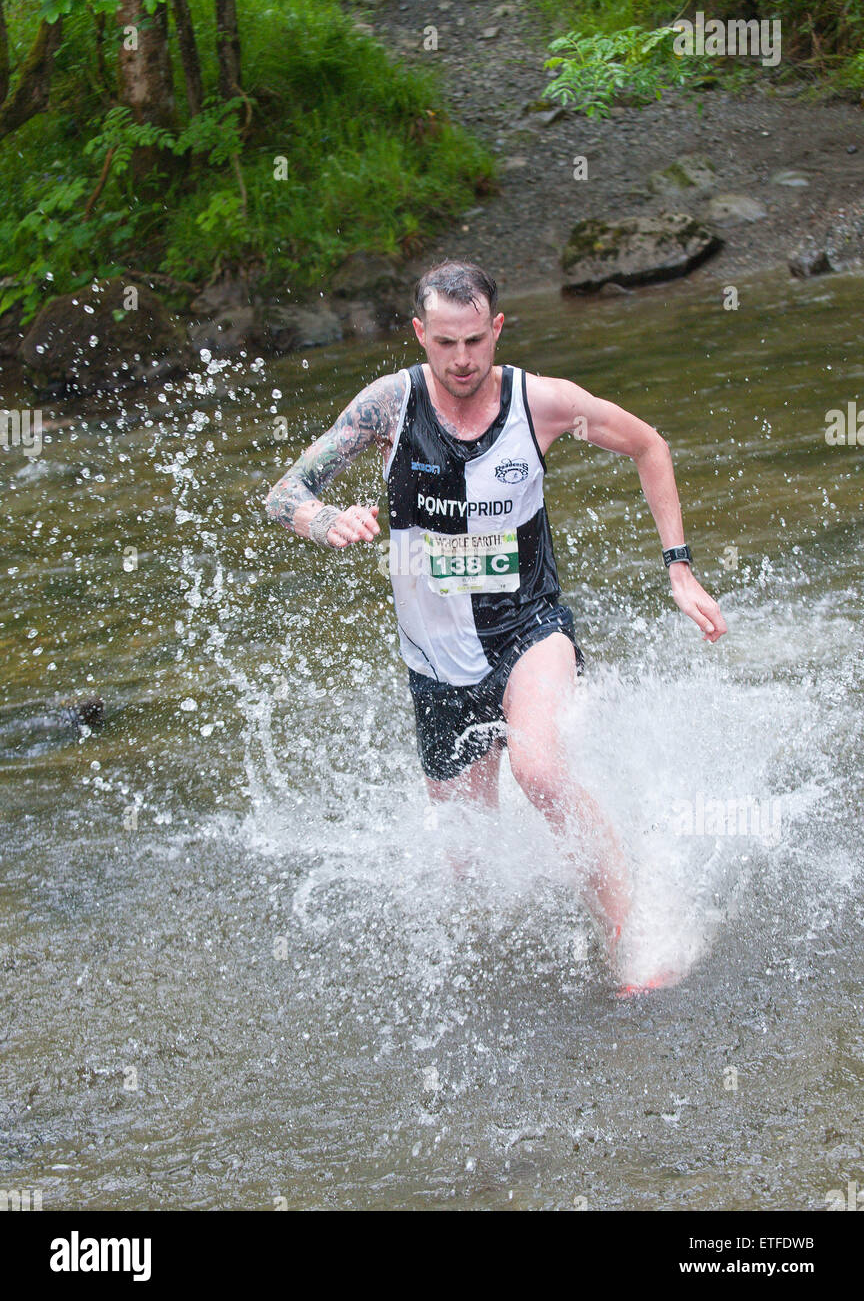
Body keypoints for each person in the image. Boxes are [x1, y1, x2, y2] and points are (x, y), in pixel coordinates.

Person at [264, 260, 727, 993]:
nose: (461, 360)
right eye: (444, 343)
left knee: (538, 769)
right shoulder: (389, 406)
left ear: (497, 329)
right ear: (420, 334)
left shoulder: (539, 403)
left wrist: (679, 568)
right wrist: (325, 521)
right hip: (436, 664)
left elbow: (650, 445)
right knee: (468, 869)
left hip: (529, 629)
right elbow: (284, 492)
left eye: (475, 341)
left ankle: (633, 935)